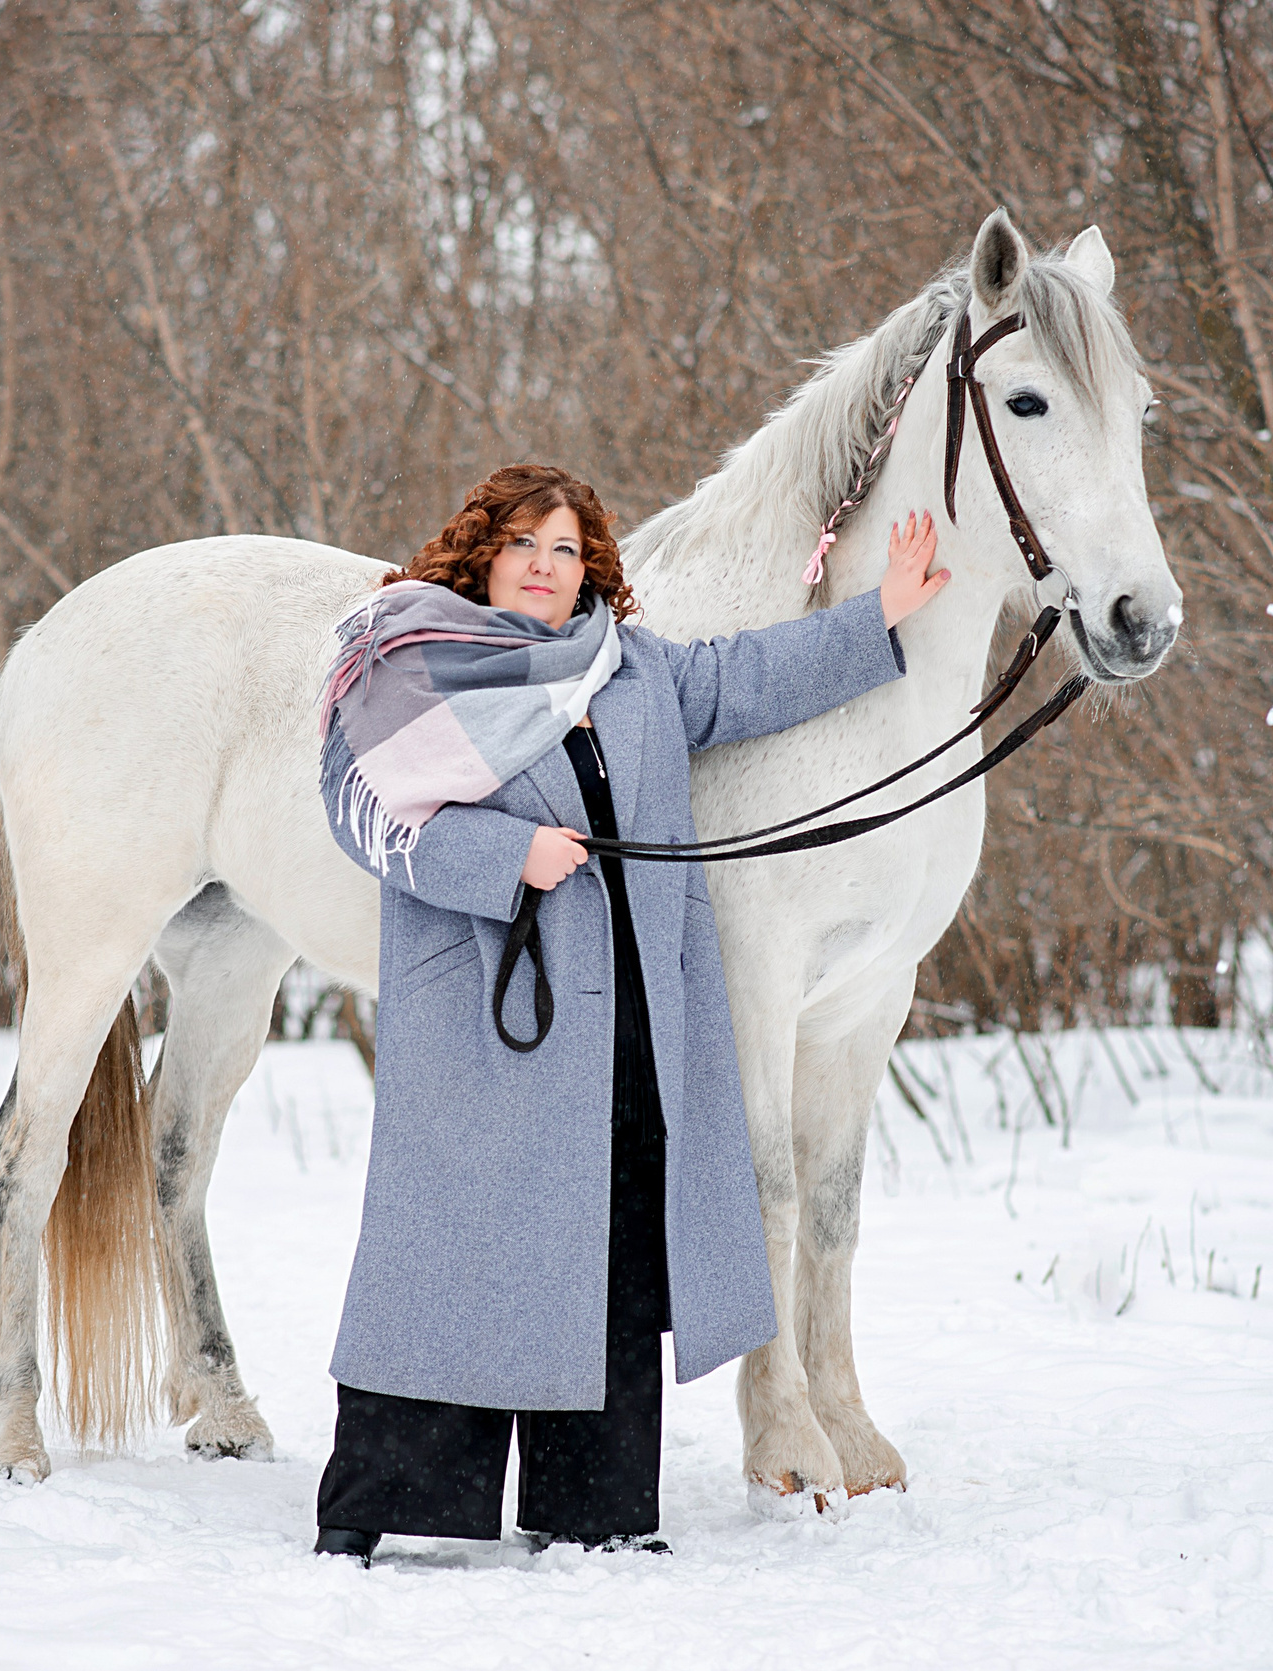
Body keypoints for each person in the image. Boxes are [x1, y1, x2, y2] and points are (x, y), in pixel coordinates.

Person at [310, 463, 947, 1564]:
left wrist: (878, 615)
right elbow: (360, 808)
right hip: (488, 1021)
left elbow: (747, 678)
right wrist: (508, 855)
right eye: (524, 548)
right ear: (482, 555)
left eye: (566, 552)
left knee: (609, 1260)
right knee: (461, 1259)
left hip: (621, 1024)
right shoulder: (418, 666)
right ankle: (391, 1499)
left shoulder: (630, 668)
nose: (546, 570)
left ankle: (594, 1509)